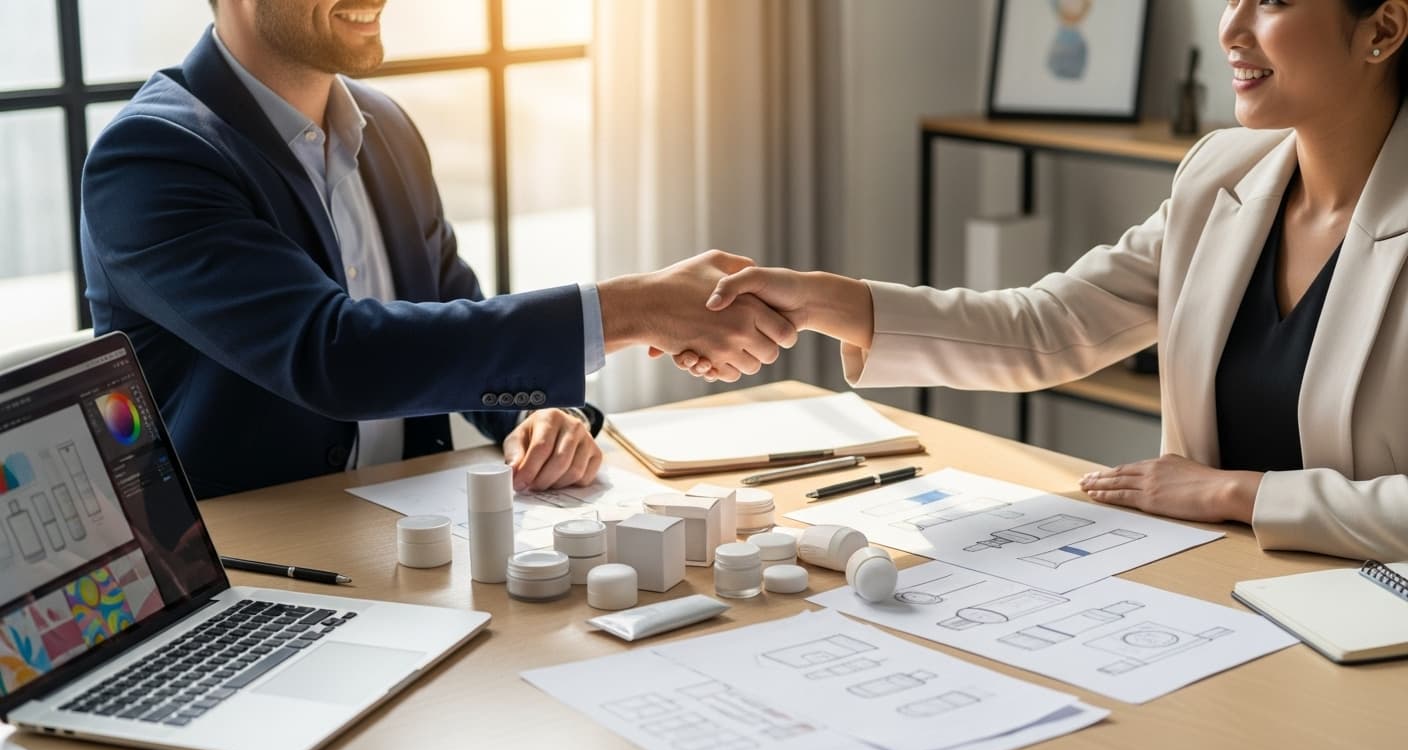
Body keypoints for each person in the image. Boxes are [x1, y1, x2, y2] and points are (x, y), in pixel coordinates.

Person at [684, 0, 1408, 562]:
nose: (1232, 31)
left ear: (1382, 29)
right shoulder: (1222, 173)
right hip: (1216, 585)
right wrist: (823, 300)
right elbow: (1051, 327)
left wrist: (1235, 494)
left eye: (1273, 2)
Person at [80, 0, 796, 499]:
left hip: (402, 543)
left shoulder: (385, 128)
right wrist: (633, 309)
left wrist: (539, 415)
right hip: (255, 570)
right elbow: (334, 355)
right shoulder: (153, 158)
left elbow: (454, 317)